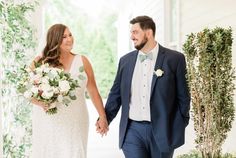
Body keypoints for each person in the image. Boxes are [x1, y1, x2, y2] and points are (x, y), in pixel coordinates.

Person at [102, 15, 190, 158]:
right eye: (131, 33)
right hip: (132, 131)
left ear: (148, 33)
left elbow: (183, 96)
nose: (132, 37)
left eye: (135, 32)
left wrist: (180, 123)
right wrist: (105, 119)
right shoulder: (125, 61)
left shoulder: (175, 59)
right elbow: (116, 94)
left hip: (163, 130)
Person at [30, 24, 108, 158]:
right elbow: (27, 91)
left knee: (75, 152)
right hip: (50, 121)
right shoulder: (41, 62)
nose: (69, 39)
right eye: (64, 36)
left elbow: (93, 90)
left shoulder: (83, 61)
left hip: (76, 120)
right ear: (54, 40)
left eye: (70, 35)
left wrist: (103, 116)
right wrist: (40, 103)